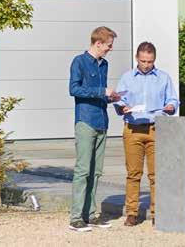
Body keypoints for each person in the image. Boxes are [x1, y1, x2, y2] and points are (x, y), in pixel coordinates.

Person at [114, 42, 179, 227]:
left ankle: (158, 213)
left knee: (156, 175)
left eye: (149, 61)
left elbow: (173, 98)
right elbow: (119, 99)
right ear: (136, 58)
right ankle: (132, 213)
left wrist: (171, 106)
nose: (146, 65)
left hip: (156, 129)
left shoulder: (163, 78)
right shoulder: (127, 78)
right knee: (133, 173)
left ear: (154, 60)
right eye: (143, 61)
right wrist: (121, 106)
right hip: (133, 129)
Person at [69, 26, 120, 232]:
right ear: (98, 43)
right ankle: (75, 218)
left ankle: (89, 215)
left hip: (102, 121)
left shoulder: (104, 64)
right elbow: (74, 89)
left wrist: (111, 96)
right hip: (85, 121)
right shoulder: (79, 62)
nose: (110, 50)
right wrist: (101, 91)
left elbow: (100, 93)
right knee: (82, 170)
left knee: (96, 171)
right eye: (108, 46)